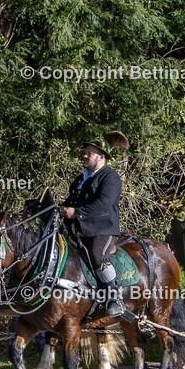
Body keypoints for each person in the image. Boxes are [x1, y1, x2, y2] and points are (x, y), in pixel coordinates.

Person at [62, 131, 129, 318]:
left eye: (89, 153)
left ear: (101, 156)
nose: (84, 155)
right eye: (85, 152)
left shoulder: (110, 177)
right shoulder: (81, 178)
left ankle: (114, 297)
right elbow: (71, 200)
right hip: (78, 228)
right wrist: (58, 208)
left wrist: (77, 212)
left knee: (97, 255)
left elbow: (104, 203)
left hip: (103, 228)